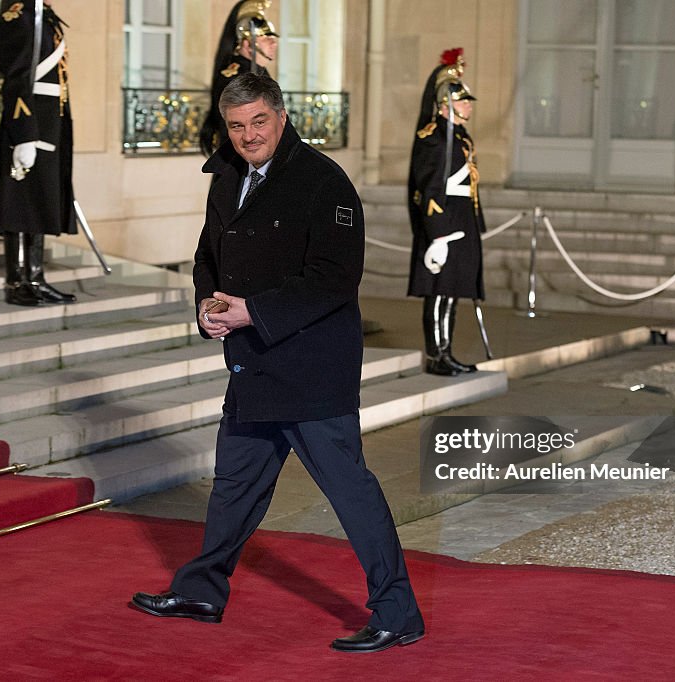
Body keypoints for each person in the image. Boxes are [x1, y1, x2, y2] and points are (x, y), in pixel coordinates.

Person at [131, 72, 425, 654]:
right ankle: (202, 591)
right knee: (234, 486)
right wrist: (207, 305)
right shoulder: (226, 177)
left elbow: (335, 279)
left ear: (282, 117)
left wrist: (252, 312)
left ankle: (399, 613)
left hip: (311, 368)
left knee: (350, 491)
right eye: (237, 126)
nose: (248, 136)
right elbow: (207, 253)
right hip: (252, 364)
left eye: (258, 122)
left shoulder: (323, 181)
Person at [0, 0, 77, 306]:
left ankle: (35, 277)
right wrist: (24, 133)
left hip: (49, 123)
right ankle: (18, 281)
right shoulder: (20, 12)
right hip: (30, 123)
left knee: (39, 203)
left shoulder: (41, 13)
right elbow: (15, 76)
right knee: (20, 205)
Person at [407, 48, 489, 375]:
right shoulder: (435, 139)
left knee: (453, 293)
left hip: (461, 218)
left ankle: (447, 351)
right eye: (462, 100)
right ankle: (437, 355)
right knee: (441, 294)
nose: (468, 105)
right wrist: (438, 234)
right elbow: (428, 188)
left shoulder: (459, 136)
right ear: (445, 104)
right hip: (445, 222)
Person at [198, 0, 279, 157]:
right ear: (248, 44)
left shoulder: (259, 73)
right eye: (266, 38)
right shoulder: (235, 79)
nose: (273, 43)